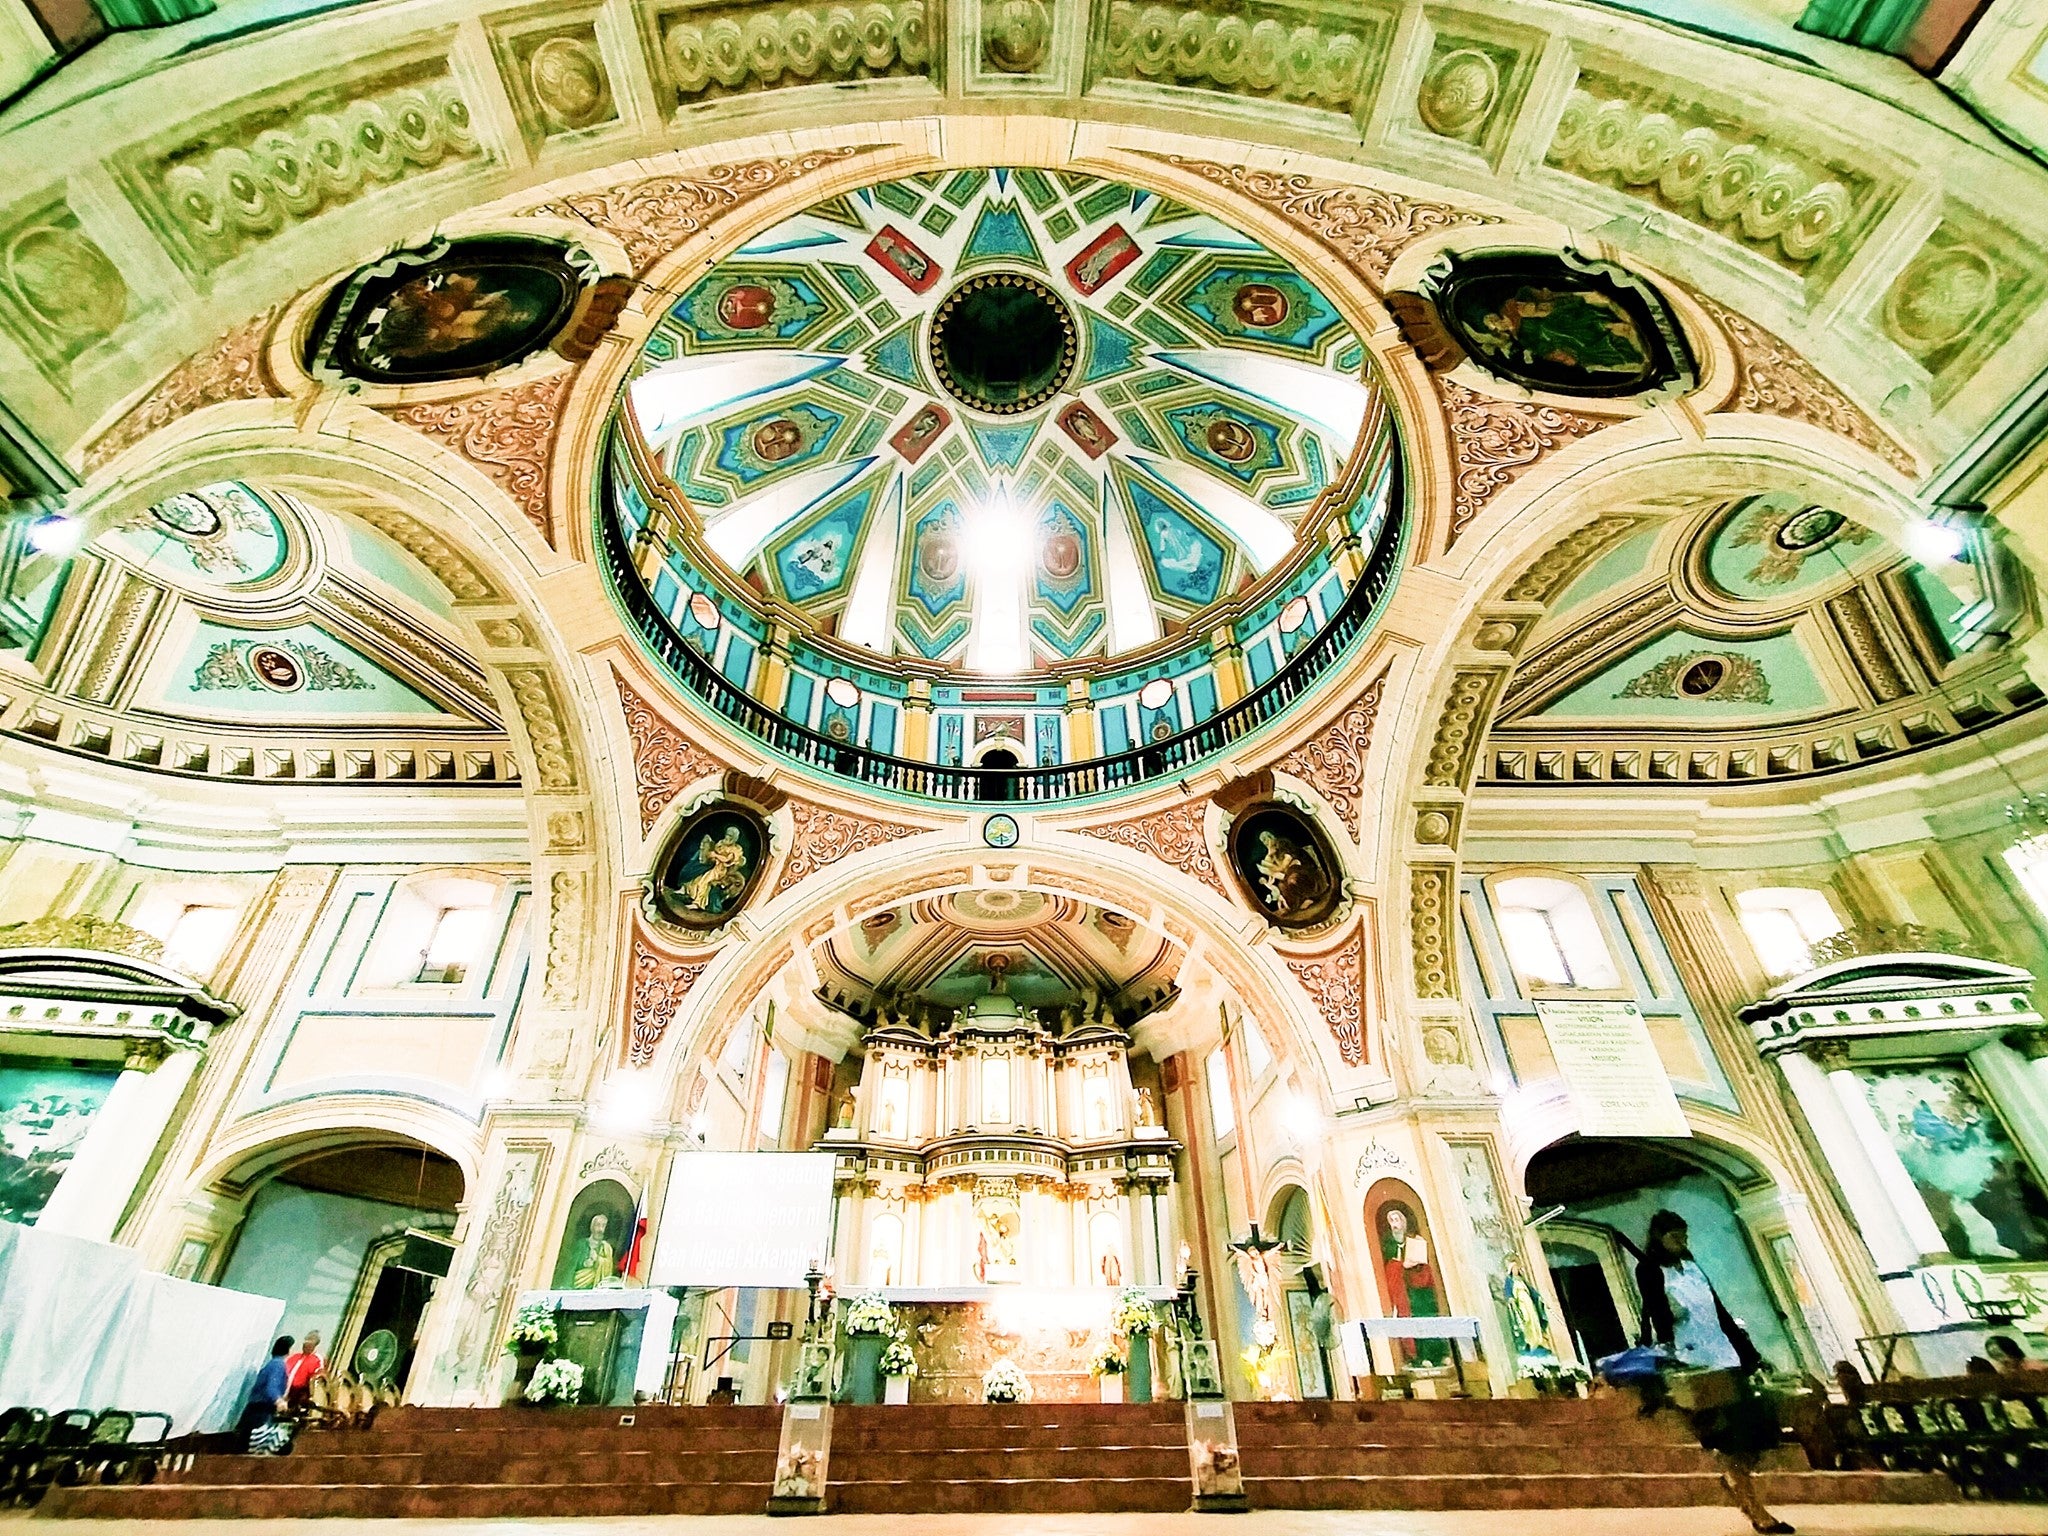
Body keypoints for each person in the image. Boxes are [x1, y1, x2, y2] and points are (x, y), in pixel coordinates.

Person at [1637, 1210, 1792, 1535]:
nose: (1682, 1242)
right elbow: (1655, 1313)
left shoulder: (1692, 1267)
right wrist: (1668, 1352)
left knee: (1756, 1433)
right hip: (1695, 1361)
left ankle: (1738, 1484)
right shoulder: (1650, 1269)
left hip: (1725, 1355)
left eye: (1684, 1236)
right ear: (1659, 1237)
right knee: (1730, 1436)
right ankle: (1756, 1509)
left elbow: (1719, 1309)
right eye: (1675, 1237)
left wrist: (1749, 1352)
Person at [235, 1337, 292, 1443]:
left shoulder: (271, 1364)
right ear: (288, 1350)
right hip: (261, 1411)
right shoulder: (278, 1365)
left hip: (253, 1409)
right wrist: (279, 1401)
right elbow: (272, 1387)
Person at [283, 1331, 323, 1411]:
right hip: (282, 1394)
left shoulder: (317, 1360)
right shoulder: (294, 1357)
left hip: (298, 1398)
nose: (306, 1343)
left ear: (315, 1344)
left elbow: (315, 1383)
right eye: (306, 1340)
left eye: (310, 1341)